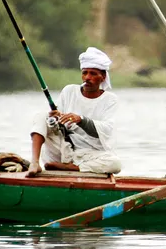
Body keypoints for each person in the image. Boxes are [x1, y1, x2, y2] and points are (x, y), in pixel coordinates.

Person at [26, 47, 122, 177]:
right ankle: (35, 162)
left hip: (91, 154)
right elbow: (56, 123)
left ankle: (73, 167)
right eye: (84, 73)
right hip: (63, 149)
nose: (87, 77)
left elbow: (107, 129)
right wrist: (54, 119)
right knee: (41, 115)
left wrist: (81, 120)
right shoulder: (69, 91)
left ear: (103, 77)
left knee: (115, 163)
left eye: (93, 74)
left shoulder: (110, 99)